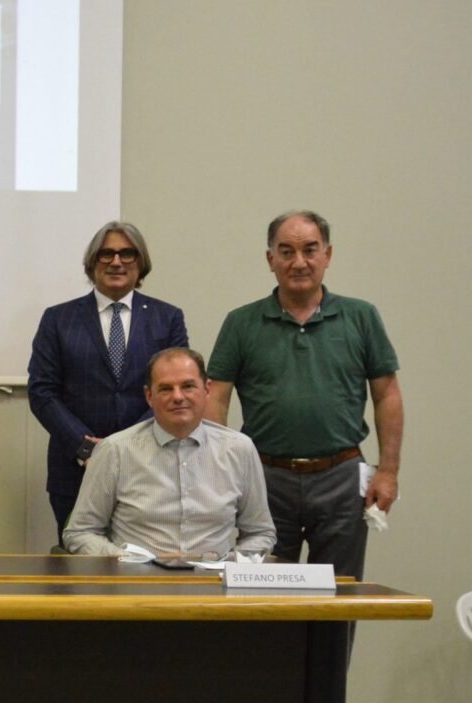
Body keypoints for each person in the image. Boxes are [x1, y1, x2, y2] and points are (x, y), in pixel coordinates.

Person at [205, 210, 402, 581]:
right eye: (286, 252)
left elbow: (387, 394)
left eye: (310, 250)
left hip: (342, 478)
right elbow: (215, 397)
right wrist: (222, 470)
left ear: (328, 255)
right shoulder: (241, 322)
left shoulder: (361, 317)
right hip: (264, 479)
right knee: (261, 594)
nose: (299, 262)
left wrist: (388, 471)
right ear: (271, 259)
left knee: (339, 594)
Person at [28, 221, 189, 542]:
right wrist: (87, 448)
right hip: (75, 468)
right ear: (92, 262)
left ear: (141, 262)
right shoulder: (58, 318)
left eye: (127, 254)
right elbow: (42, 392)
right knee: (78, 560)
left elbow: (176, 389)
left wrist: (128, 447)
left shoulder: (167, 318)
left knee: (145, 561)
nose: (116, 262)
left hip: (149, 465)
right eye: (107, 254)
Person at [64, 348, 275, 559]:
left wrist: (229, 563)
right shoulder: (115, 451)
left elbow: (260, 533)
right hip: (136, 577)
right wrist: (130, 561)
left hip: (214, 577)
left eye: (188, 386)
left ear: (207, 389)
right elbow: (80, 532)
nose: (178, 397)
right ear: (149, 396)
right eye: (165, 389)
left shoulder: (239, 449)